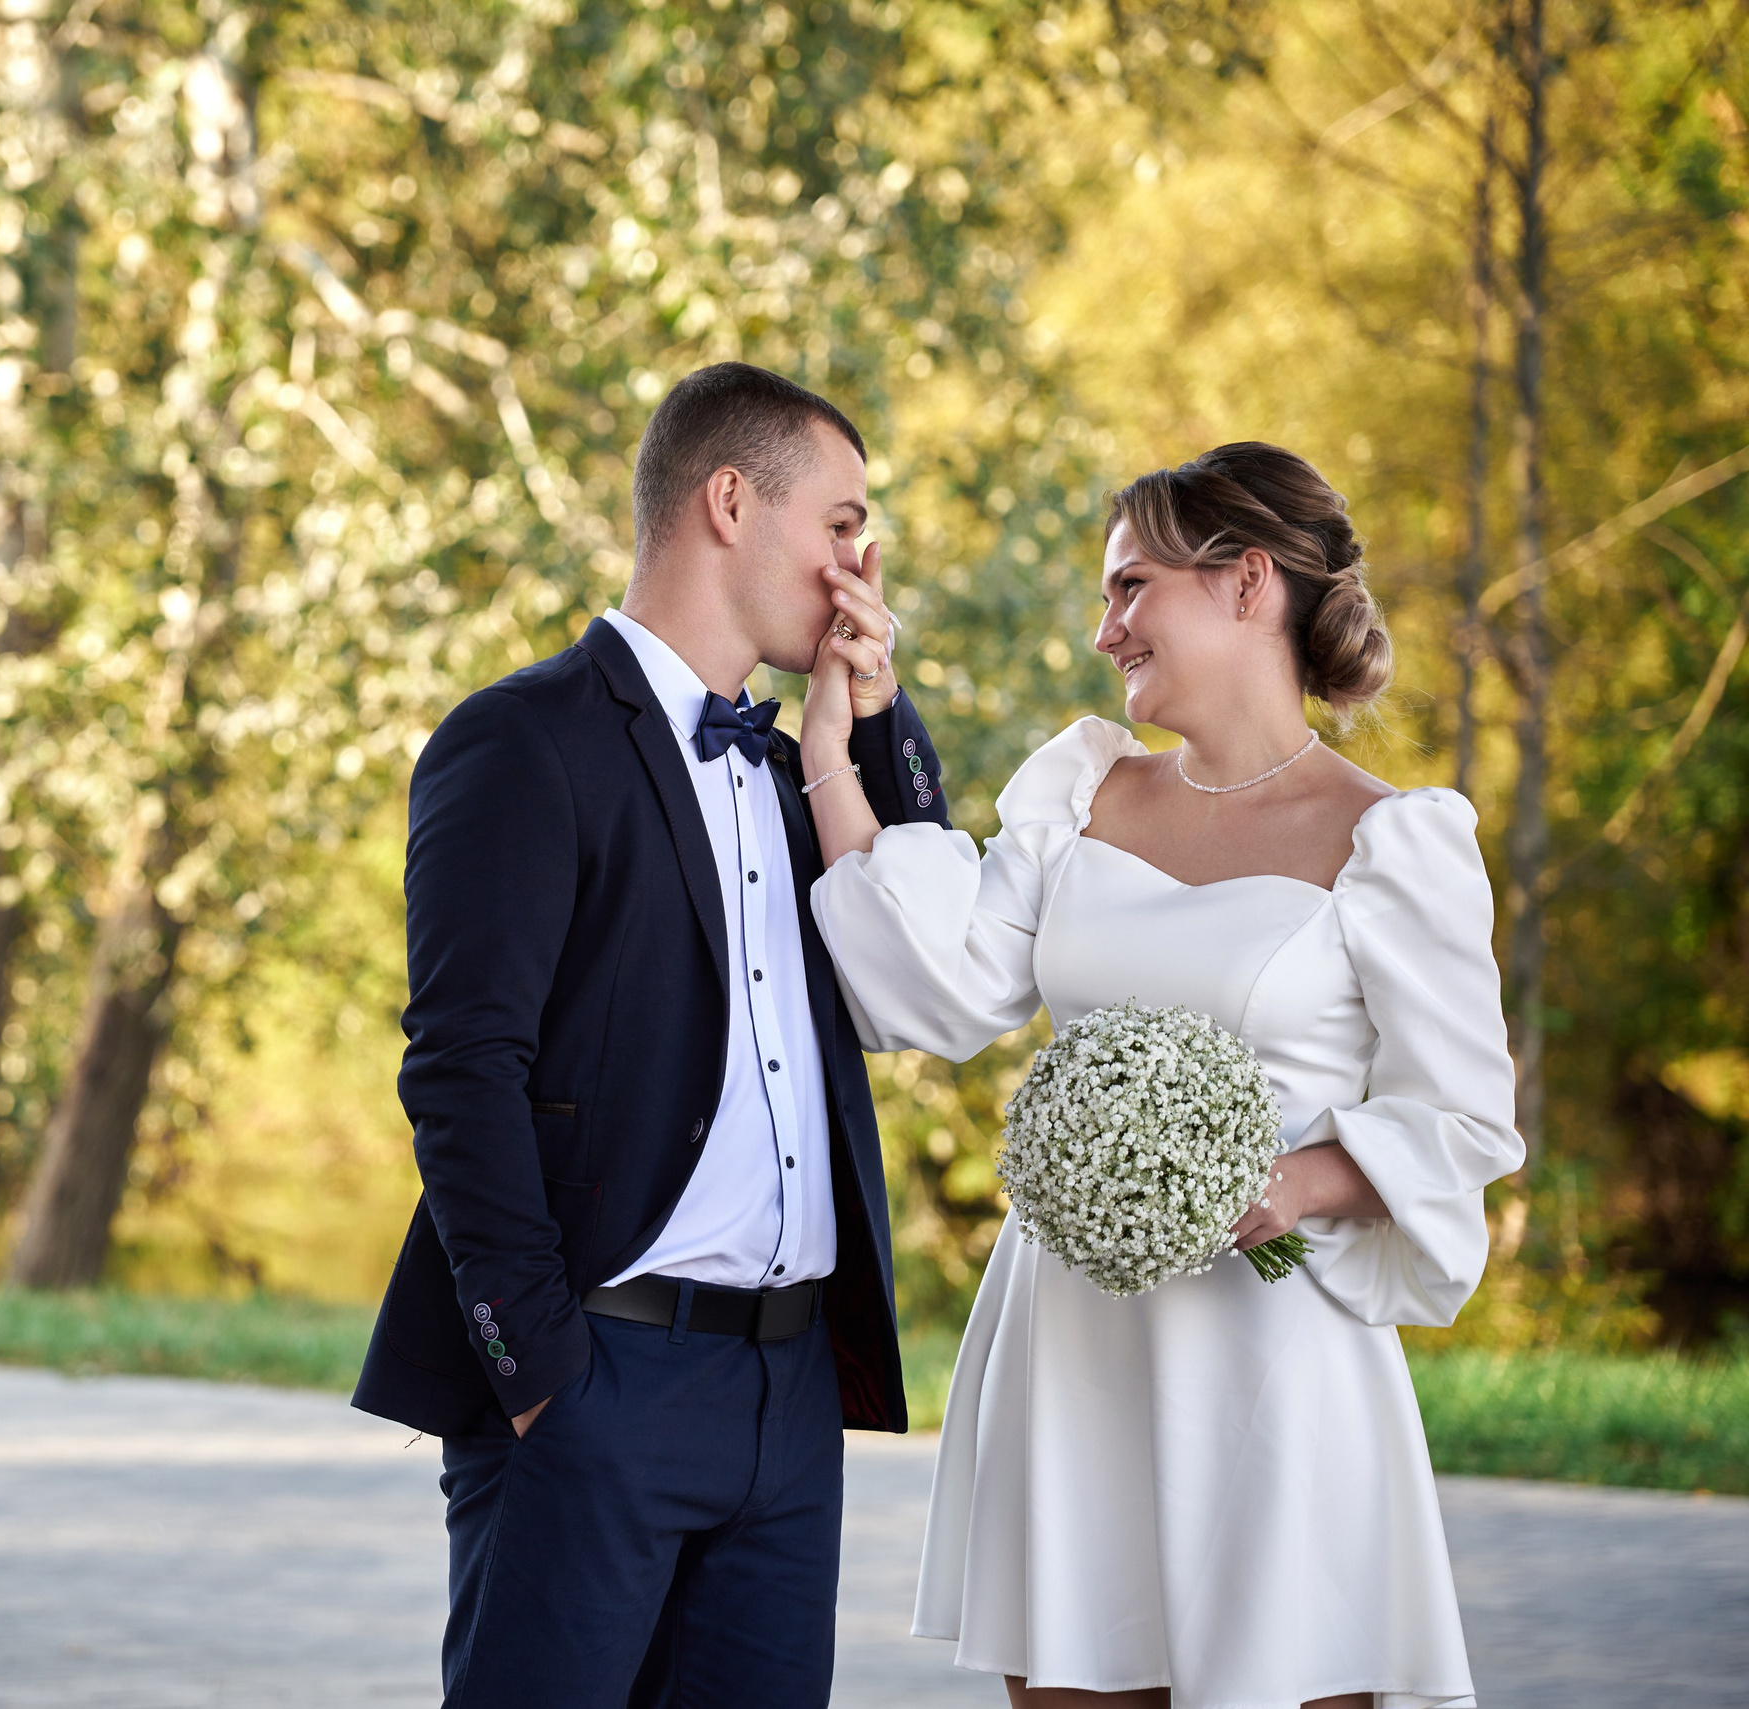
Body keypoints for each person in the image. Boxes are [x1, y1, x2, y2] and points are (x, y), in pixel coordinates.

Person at [804, 442, 1525, 1709]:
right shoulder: (1081, 791)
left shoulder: (1393, 840)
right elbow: (936, 982)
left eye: (1130, 587)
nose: (1104, 631)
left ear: (1248, 582)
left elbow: (1460, 1116)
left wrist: (1290, 1180)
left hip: (1264, 1353)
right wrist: (840, 737)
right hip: (1066, 1344)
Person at [351, 361, 935, 1707]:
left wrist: (876, 709)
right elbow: (458, 1068)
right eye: (844, 521)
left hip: (791, 1402)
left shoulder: (809, 761)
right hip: (598, 1380)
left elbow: (924, 950)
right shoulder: (519, 742)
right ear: (731, 501)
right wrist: (542, 1370)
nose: (866, 560)